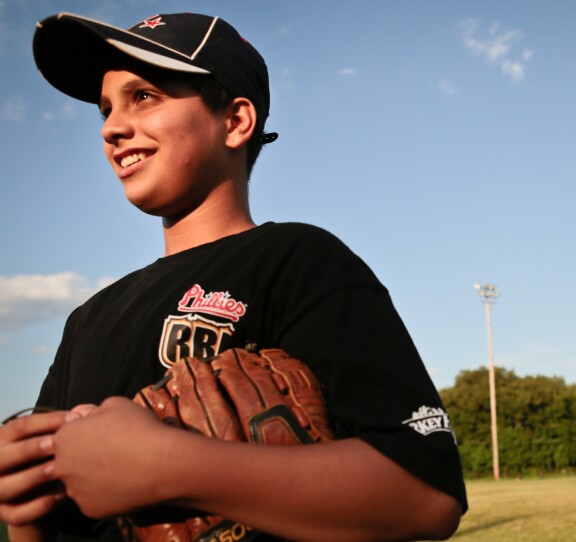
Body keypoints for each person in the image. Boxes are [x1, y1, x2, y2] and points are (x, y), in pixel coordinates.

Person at [0, 12, 466, 542]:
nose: (111, 127)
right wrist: (26, 500)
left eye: (144, 96)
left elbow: (426, 496)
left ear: (236, 121)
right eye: (106, 109)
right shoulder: (89, 318)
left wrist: (173, 466)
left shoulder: (296, 260)